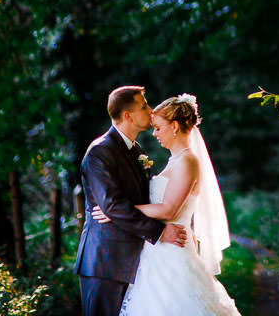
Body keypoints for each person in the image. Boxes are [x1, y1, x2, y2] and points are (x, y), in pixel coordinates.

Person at [92, 93, 241, 316]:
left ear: (174, 126)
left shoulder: (188, 161)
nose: (154, 133)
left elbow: (168, 209)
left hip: (173, 253)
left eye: (159, 128)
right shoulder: (175, 160)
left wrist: (116, 212)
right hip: (157, 251)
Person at [75, 86, 189, 316]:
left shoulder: (137, 150)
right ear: (127, 115)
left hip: (136, 261)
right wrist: (159, 232)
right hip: (105, 262)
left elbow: (138, 201)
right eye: (144, 106)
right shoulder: (100, 152)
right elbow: (113, 206)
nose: (150, 110)